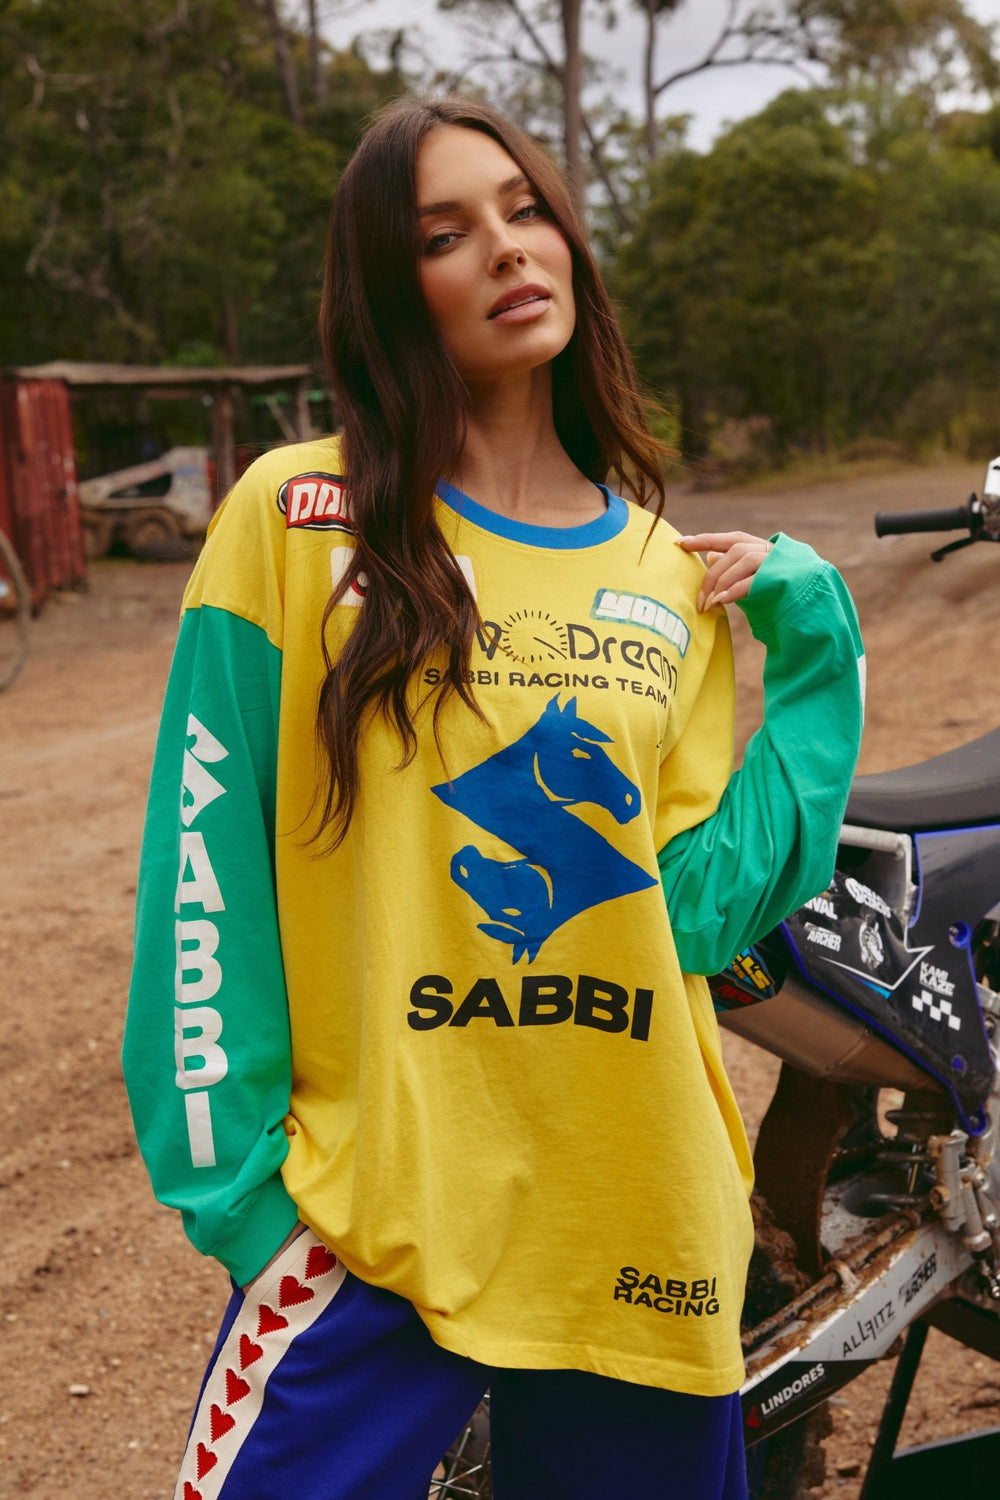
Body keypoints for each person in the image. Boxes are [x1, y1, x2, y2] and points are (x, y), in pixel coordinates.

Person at [122, 95, 864, 1500]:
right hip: (375, 1229)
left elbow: (696, 915)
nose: (508, 249)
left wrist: (817, 649)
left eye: (527, 212)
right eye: (444, 235)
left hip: (635, 1230)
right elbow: (203, 869)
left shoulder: (661, 575)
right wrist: (248, 1209)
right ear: (388, 289)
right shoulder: (299, 518)